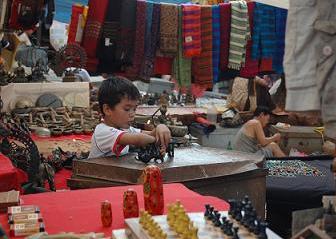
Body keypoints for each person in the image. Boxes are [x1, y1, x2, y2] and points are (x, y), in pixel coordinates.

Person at [88, 76, 171, 159]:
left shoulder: (125, 129)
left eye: (134, 109)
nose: (132, 114)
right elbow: (138, 139)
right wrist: (157, 140)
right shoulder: (103, 131)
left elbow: (150, 133)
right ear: (107, 109)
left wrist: (161, 128)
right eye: (127, 109)